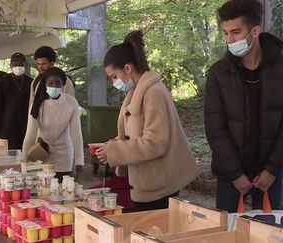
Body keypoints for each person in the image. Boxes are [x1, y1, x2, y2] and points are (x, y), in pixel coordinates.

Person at [95, 30, 199, 212]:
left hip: (160, 186)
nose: (114, 82)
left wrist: (114, 151)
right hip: (147, 183)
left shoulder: (153, 93)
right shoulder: (135, 92)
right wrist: (111, 146)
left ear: (127, 68)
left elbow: (155, 142)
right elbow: (132, 136)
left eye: (114, 77)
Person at [204, 0, 283, 213]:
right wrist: (235, 174)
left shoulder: (280, 67)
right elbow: (215, 129)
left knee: (269, 234)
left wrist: (272, 170)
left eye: (236, 32)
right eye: (226, 33)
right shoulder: (218, 73)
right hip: (231, 178)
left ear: (255, 31)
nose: (229, 40)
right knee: (229, 233)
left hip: (272, 175)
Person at [22, 67, 84, 181]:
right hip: (42, 153)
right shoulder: (38, 105)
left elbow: (76, 133)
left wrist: (79, 160)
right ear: (45, 84)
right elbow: (30, 134)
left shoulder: (71, 102)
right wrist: (24, 158)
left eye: (57, 83)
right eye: (50, 83)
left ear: (63, 85)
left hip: (65, 153)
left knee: (64, 187)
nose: (54, 86)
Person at [0, 53, 32, 149]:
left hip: (26, 127)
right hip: (7, 128)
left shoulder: (31, 82)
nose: (18, 67)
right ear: (10, 66)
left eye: (21, 64)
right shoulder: (2, 82)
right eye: (15, 64)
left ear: (25, 65)